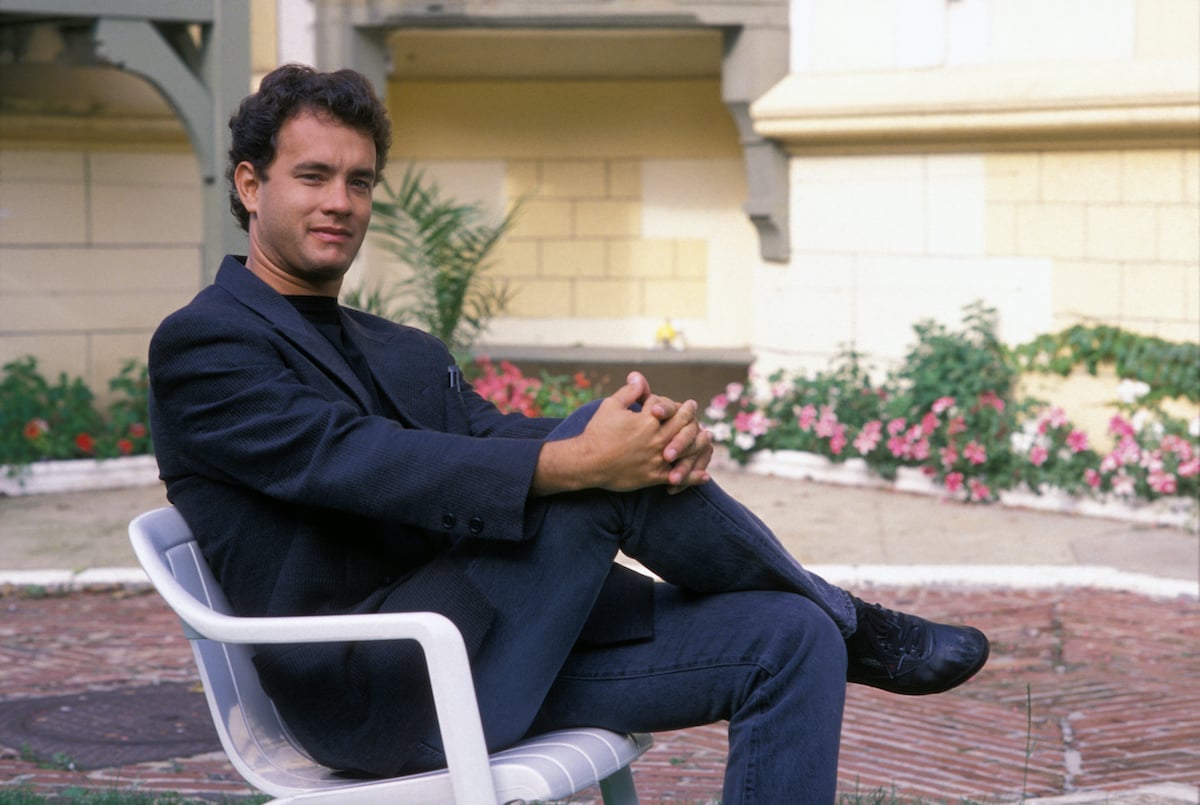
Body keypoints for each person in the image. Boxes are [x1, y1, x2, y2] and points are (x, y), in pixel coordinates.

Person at [148, 64, 989, 803]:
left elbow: (488, 432)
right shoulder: (207, 343)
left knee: (788, 639)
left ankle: (827, 623)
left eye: (360, 181)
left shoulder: (393, 345)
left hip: (491, 649)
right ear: (252, 186)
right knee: (589, 462)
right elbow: (356, 460)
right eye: (314, 176)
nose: (341, 201)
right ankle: (858, 626)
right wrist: (584, 454)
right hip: (381, 687)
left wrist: (644, 437)